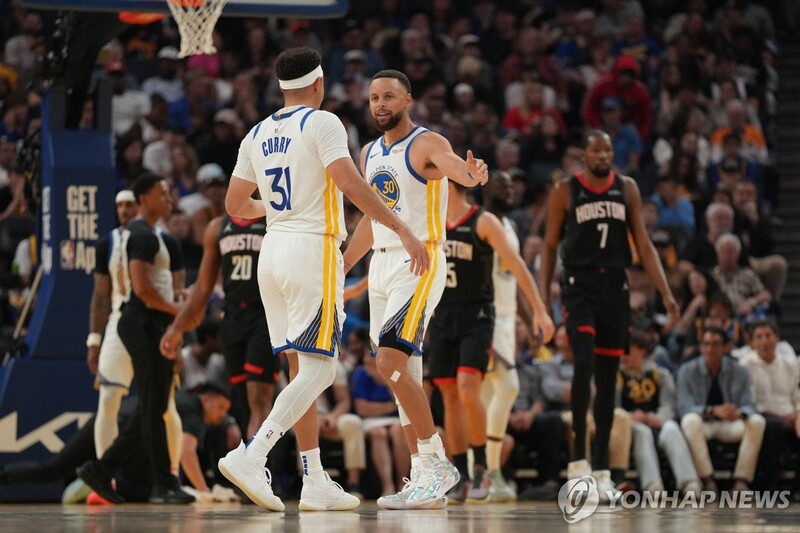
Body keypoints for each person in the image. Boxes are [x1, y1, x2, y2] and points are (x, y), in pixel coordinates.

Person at [217, 48, 429, 513]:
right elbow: (352, 185)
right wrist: (401, 228)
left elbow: (235, 205)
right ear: (318, 84)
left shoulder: (256, 132)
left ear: (282, 87)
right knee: (322, 371)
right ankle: (253, 454)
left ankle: (314, 478)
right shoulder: (323, 122)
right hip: (311, 249)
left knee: (302, 371)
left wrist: (279, 208)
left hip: (272, 250)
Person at [341, 69, 489, 510]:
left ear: (407, 100)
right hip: (380, 264)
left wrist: (471, 174)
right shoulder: (368, 152)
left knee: (388, 362)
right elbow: (372, 218)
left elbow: (456, 169)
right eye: (374, 98)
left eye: (388, 96)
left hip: (418, 261)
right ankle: (423, 480)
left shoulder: (427, 143)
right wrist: (344, 265)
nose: (380, 105)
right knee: (403, 376)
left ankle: (438, 463)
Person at [540, 130, 679, 502]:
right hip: (579, 285)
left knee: (606, 378)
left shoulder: (627, 188)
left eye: (608, 150)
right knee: (583, 362)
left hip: (615, 287)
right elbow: (550, 246)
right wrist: (542, 300)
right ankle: (578, 464)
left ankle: (601, 471)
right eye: (596, 150)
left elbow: (644, 245)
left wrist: (666, 293)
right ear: (584, 155)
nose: (603, 155)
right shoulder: (565, 190)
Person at [78, 173, 193, 504]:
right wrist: (179, 312)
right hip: (140, 321)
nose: (170, 198)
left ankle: (107, 470)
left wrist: (180, 308)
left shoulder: (157, 237)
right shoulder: (141, 235)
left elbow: (166, 287)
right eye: (163, 193)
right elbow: (142, 290)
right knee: (143, 404)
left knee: (154, 406)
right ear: (145, 198)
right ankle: (160, 483)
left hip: (152, 322)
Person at [161, 214, 280, 442]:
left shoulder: (274, 219)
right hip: (233, 317)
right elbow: (203, 286)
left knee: (260, 397)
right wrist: (177, 328)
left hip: (265, 315)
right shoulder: (217, 227)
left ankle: (260, 462)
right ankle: (253, 459)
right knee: (243, 401)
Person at [87, 190, 181, 469]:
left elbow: (177, 295)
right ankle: (104, 477)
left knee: (166, 405)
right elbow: (101, 296)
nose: (124, 210)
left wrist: (178, 335)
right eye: (119, 206)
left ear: (140, 205)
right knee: (107, 399)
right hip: (120, 321)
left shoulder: (167, 241)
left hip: (157, 323)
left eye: (129, 205)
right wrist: (94, 339)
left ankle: (172, 473)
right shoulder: (107, 243)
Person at [677, 326, 766, 493]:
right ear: (701, 347)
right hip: (703, 424)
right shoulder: (687, 371)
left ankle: (741, 482)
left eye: (715, 344)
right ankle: (707, 480)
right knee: (689, 420)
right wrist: (712, 411)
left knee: (757, 421)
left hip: (730, 423)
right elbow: (684, 407)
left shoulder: (740, 370)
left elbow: (750, 404)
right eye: (706, 344)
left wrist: (739, 413)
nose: (710, 349)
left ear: (726, 347)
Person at [618, 330, 701, 495]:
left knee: (672, 429)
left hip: (656, 421)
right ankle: (653, 485)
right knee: (642, 432)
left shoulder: (660, 374)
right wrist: (631, 417)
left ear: (642, 351)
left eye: (628, 350)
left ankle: (689, 483)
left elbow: (669, 405)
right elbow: (614, 409)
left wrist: (656, 418)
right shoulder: (616, 376)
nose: (623, 355)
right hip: (631, 424)